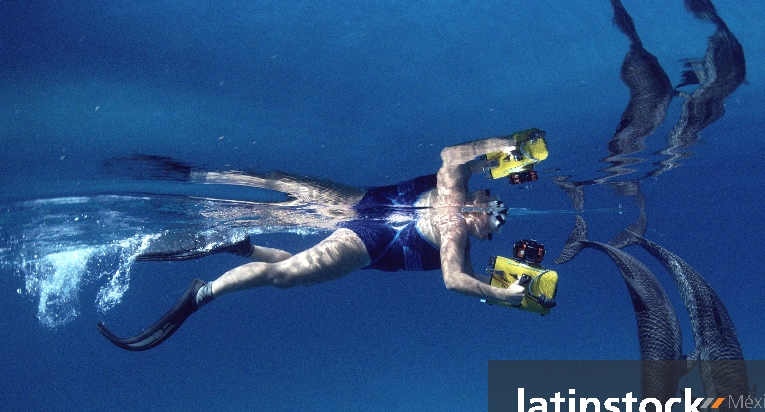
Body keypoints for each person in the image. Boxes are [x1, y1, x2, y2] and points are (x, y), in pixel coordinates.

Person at [98, 133, 539, 351]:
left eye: (492, 224)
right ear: (483, 192)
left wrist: (505, 292)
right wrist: (499, 146)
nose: (482, 217)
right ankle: (195, 189)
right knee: (278, 193)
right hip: (363, 206)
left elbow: (459, 280)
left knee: (284, 272)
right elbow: (451, 156)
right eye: (489, 205)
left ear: (487, 234)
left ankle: (219, 272)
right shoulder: (454, 188)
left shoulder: (458, 247)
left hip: (367, 240)